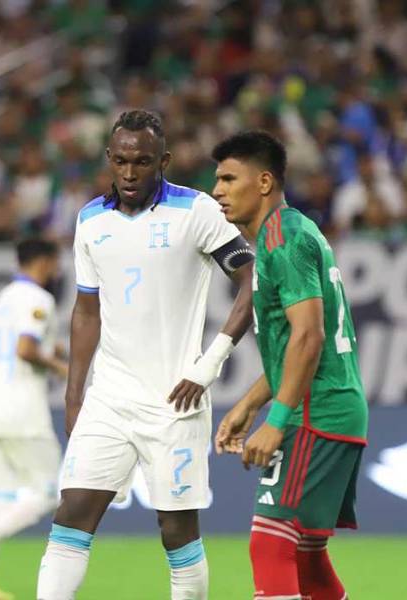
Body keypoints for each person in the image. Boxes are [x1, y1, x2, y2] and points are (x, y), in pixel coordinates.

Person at [36, 110, 255, 600]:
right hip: (109, 398)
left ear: (164, 161)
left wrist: (208, 365)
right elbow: (86, 310)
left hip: (174, 402)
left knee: (176, 532)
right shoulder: (90, 219)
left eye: (142, 162)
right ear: (108, 159)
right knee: (71, 514)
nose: (130, 173)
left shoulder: (197, 212)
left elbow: (251, 281)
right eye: (121, 161)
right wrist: (75, 396)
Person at [212, 131, 368, 600]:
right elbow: (292, 347)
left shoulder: (283, 237)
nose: (217, 190)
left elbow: (309, 336)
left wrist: (276, 421)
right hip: (331, 409)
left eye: (227, 178)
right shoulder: (290, 234)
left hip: (314, 413)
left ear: (263, 182)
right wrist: (248, 405)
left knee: (270, 543)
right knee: (307, 556)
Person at [0, 238, 67, 600]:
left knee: (2, 495)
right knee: (51, 491)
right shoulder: (39, 299)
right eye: (55, 264)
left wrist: (50, 351)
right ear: (46, 262)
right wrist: (60, 367)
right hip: (22, 408)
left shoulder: (3, 298)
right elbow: (25, 349)